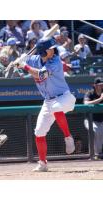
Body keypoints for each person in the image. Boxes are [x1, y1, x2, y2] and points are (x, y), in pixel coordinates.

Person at [15, 37, 76, 172]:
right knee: (39, 132)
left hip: (65, 97)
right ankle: (43, 163)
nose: (54, 50)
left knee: (56, 107)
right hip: (48, 101)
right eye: (50, 49)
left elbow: (40, 75)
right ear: (43, 52)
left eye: (54, 48)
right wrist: (20, 59)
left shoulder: (55, 62)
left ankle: (67, 136)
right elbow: (20, 61)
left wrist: (24, 66)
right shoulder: (34, 59)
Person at [83, 77, 103, 159]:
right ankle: (95, 154)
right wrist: (100, 99)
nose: (101, 86)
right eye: (99, 85)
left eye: (102, 85)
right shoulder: (90, 93)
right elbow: (86, 103)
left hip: (101, 121)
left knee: (100, 132)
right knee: (96, 131)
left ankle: (98, 154)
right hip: (90, 120)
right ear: (94, 85)